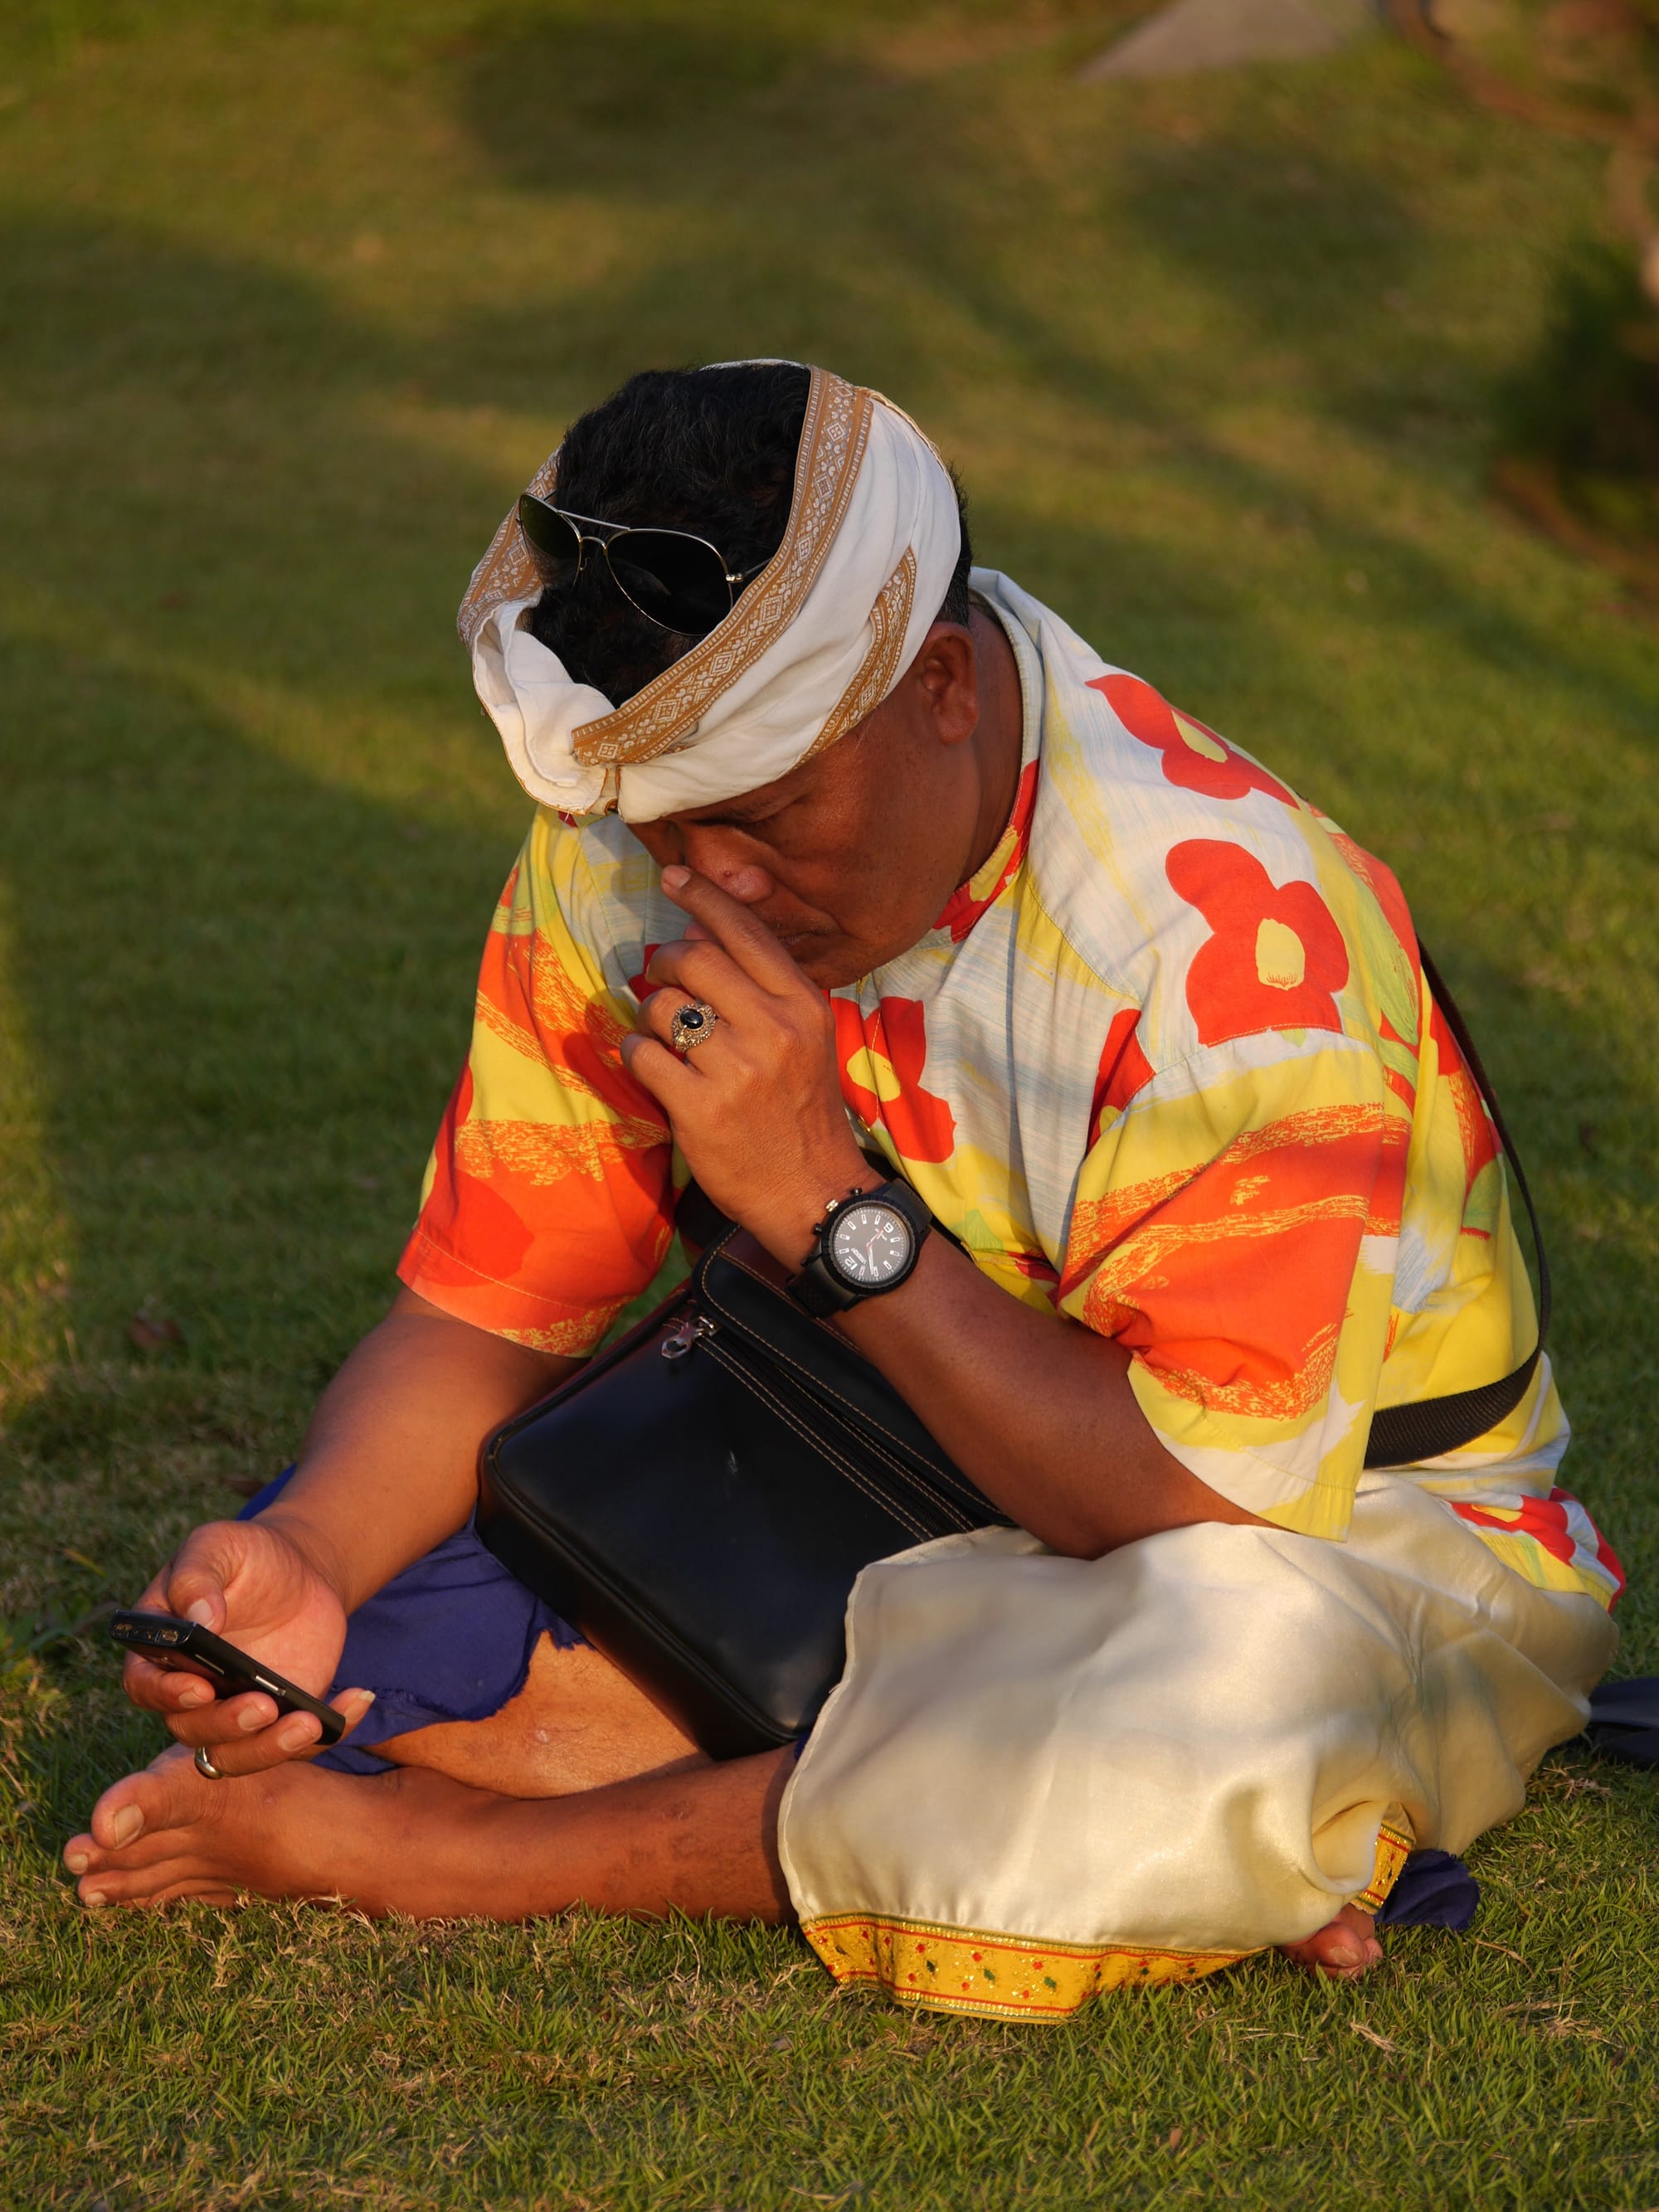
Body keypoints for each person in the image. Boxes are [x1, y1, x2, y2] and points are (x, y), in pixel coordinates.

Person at [65, 361, 1623, 2020]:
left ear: (943, 684)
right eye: (661, 826)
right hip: (870, 1446)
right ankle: (1001, 1780)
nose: (702, 878)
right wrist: (306, 1549)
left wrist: (827, 1206)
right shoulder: (641, 827)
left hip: (1336, 1532)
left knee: (1218, 1691)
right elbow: (491, 1305)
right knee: (346, 1631)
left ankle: (463, 1843)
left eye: (763, 820)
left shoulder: (1220, 939)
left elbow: (1185, 1506)